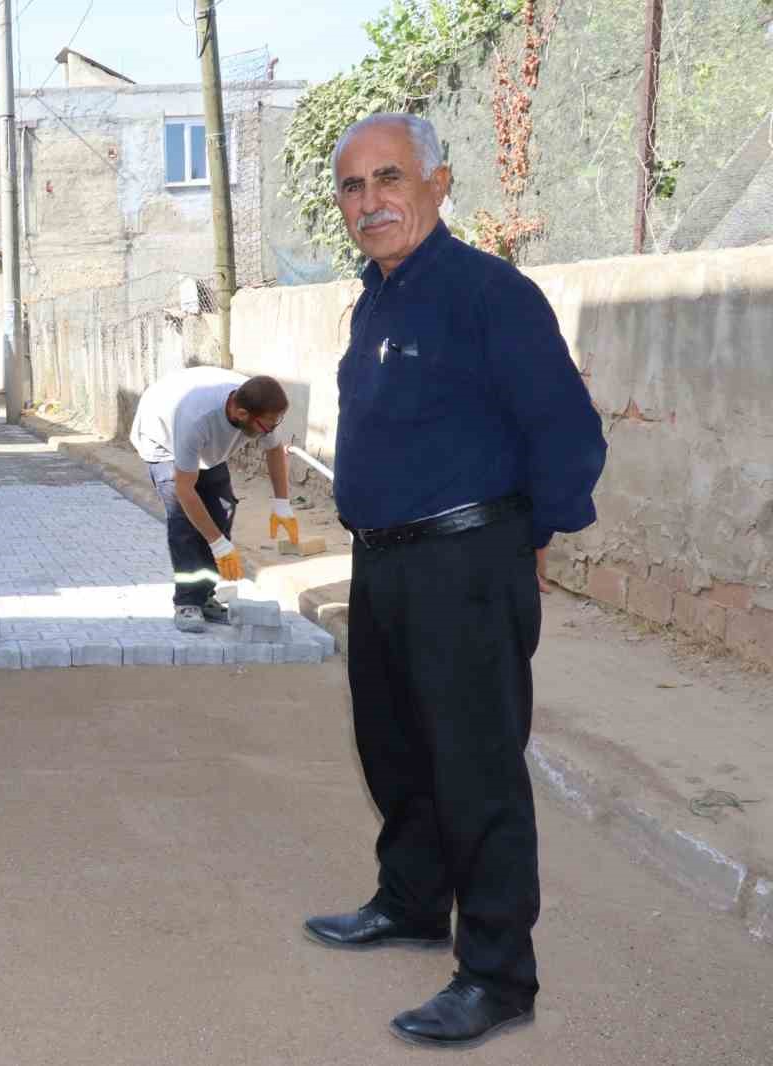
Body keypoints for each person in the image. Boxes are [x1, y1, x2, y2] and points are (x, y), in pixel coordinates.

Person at [303, 113, 606, 1050]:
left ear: (438, 183)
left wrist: (527, 538)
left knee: (475, 770)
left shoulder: (490, 296)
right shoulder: (378, 300)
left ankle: (497, 973)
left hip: (466, 563)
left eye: (388, 179)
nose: (370, 203)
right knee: (395, 747)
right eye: (353, 188)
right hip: (384, 560)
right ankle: (410, 902)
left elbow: (567, 433)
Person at [129, 367, 296, 632]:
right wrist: (218, 545)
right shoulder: (195, 420)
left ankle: (205, 596)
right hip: (162, 438)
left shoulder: (261, 407)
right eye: (267, 425)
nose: (271, 430)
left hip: (206, 444)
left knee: (222, 511)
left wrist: (282, 504)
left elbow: (275, 449)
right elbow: (185, 490)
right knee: (185, 522)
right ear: (241, 414)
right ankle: (187, 602)